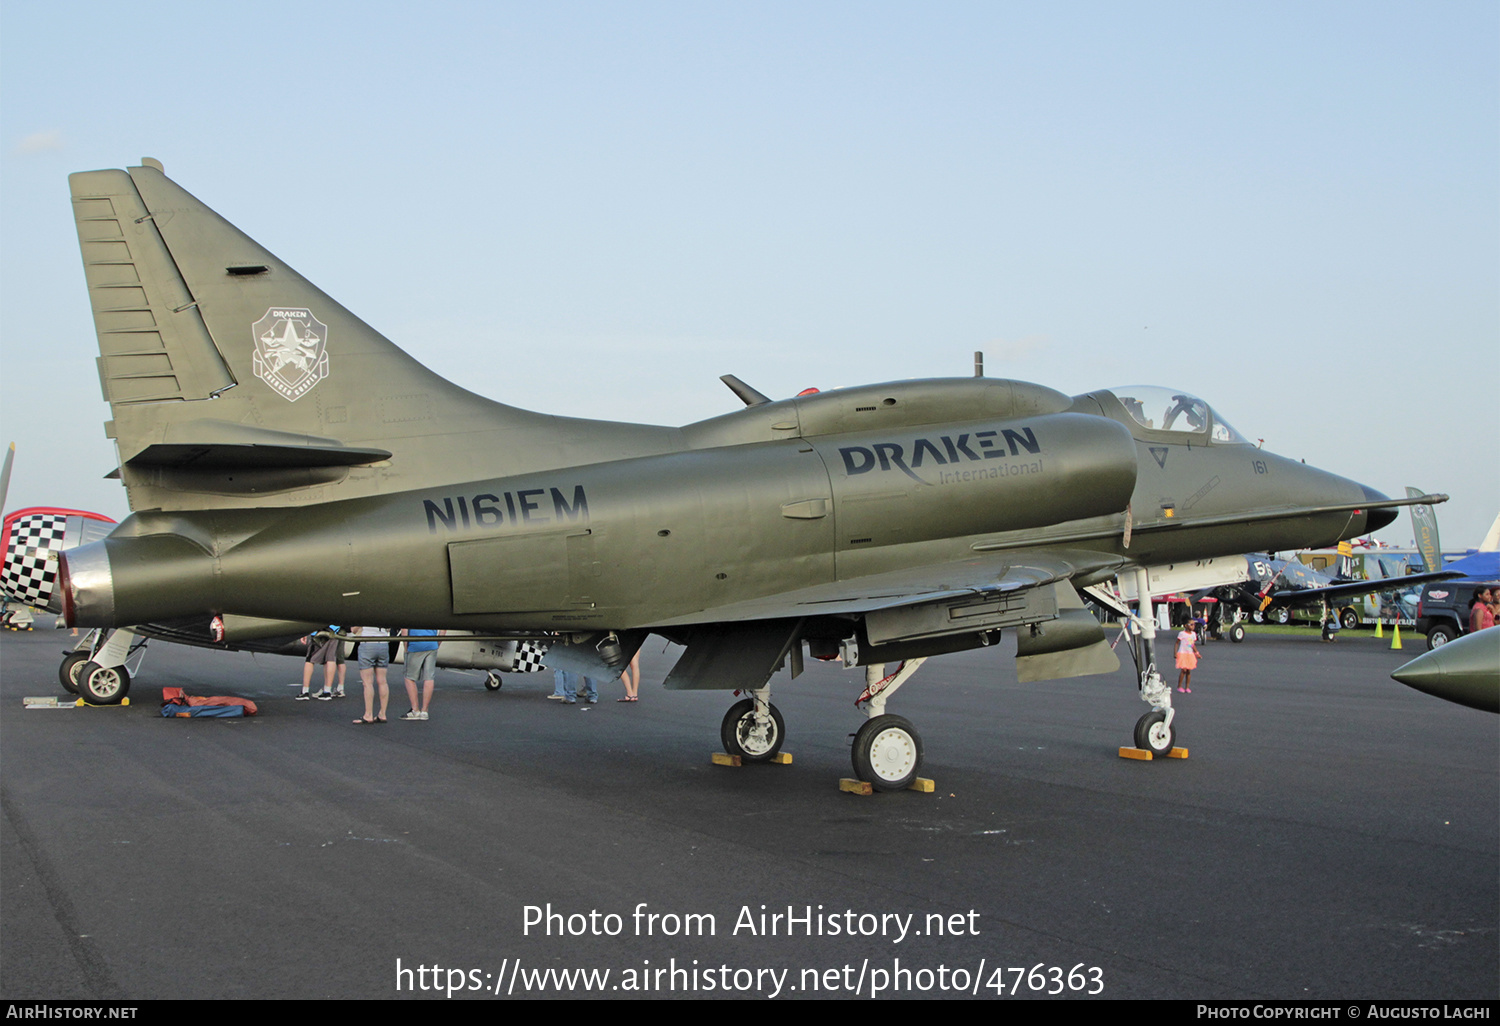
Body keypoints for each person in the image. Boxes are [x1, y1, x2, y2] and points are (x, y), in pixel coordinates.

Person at [400, 628, 442, 720]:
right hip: (432, 644)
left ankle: (415, 710)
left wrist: (406, 647)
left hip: (415, 644)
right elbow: (443, 630)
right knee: (429, 677)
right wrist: (438, 642)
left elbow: (404, 630)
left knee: (409, 677)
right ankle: (425, 711)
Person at [353, 626, 391, 724]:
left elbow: (354, 630)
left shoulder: (365, 611)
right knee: (382, 681)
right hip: (383, 643)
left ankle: (368, 714)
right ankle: (382, 713)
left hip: (368, 642)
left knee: (367, 682)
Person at [297, 628, 341, 700]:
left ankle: (305, 691)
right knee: (330, 658)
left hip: (319, 630)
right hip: (334, 630)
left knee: (310, 659)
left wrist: (304, 633)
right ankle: (327, 691)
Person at [1175, 621, 1202, 692]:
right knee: (1183, 670)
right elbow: (1177, 643)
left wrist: (1197, 653)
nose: (1193, 626)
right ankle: (1179, 686)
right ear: (1186, 625)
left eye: (1194, 625)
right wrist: (1175, 653)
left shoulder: (1193, 634)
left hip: (1190, 654)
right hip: (1182, 653)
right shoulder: (1182, 634)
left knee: (1188, 670)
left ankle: (1187, 687)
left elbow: (1192, 644)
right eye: (1191, 625)